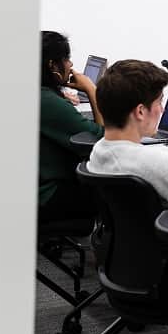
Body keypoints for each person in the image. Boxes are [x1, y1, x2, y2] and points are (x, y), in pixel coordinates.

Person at [87, 60, 168, 199]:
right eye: (159, 102)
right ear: (141, 112)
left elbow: (160, 155)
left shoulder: (100, 151)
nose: (163, 109)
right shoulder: (156, 165)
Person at [39, 31, 105, 220]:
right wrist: (92, 90)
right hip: (47, 195)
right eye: (66, 58)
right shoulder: (45, 101)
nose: (71, 64)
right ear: (52, 64)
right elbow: (99, 142)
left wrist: (58, 95)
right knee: (120, 191)